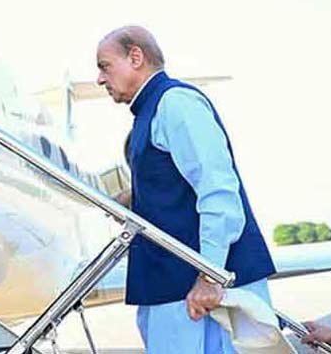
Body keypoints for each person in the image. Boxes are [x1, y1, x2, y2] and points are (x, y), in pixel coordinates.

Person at [96, 25, 276, 353]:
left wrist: (210, 276)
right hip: (174, 292)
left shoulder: (175, 104)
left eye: (105, 66)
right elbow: (175, 183)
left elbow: (218, 191)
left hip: (201, 298)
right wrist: (133, 197)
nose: (99, 79)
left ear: (135, 57)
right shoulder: (149, 113)